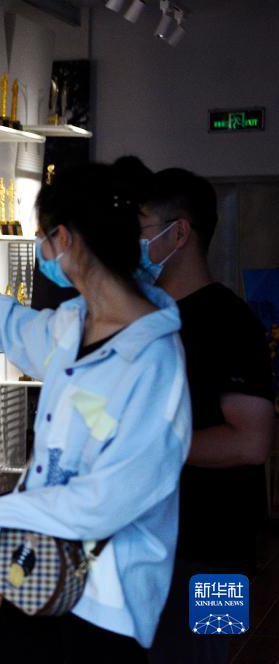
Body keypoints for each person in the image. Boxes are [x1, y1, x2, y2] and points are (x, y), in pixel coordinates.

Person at [0, 161, 191, 662]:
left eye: (44, 238)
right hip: (39, 574)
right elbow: (9, 323)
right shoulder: (74, 323)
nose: (43, 253)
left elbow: (111, 497)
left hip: (106, 602)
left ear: (64, 239)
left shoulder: (154, 359)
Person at [142, 168, 276, 664]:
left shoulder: (232, 322)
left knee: (208, 653)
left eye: (140, 228)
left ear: (179, 233)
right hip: (151, 542)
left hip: (216, 550)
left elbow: (251, 442)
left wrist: (151, 445)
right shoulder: (147, 318)